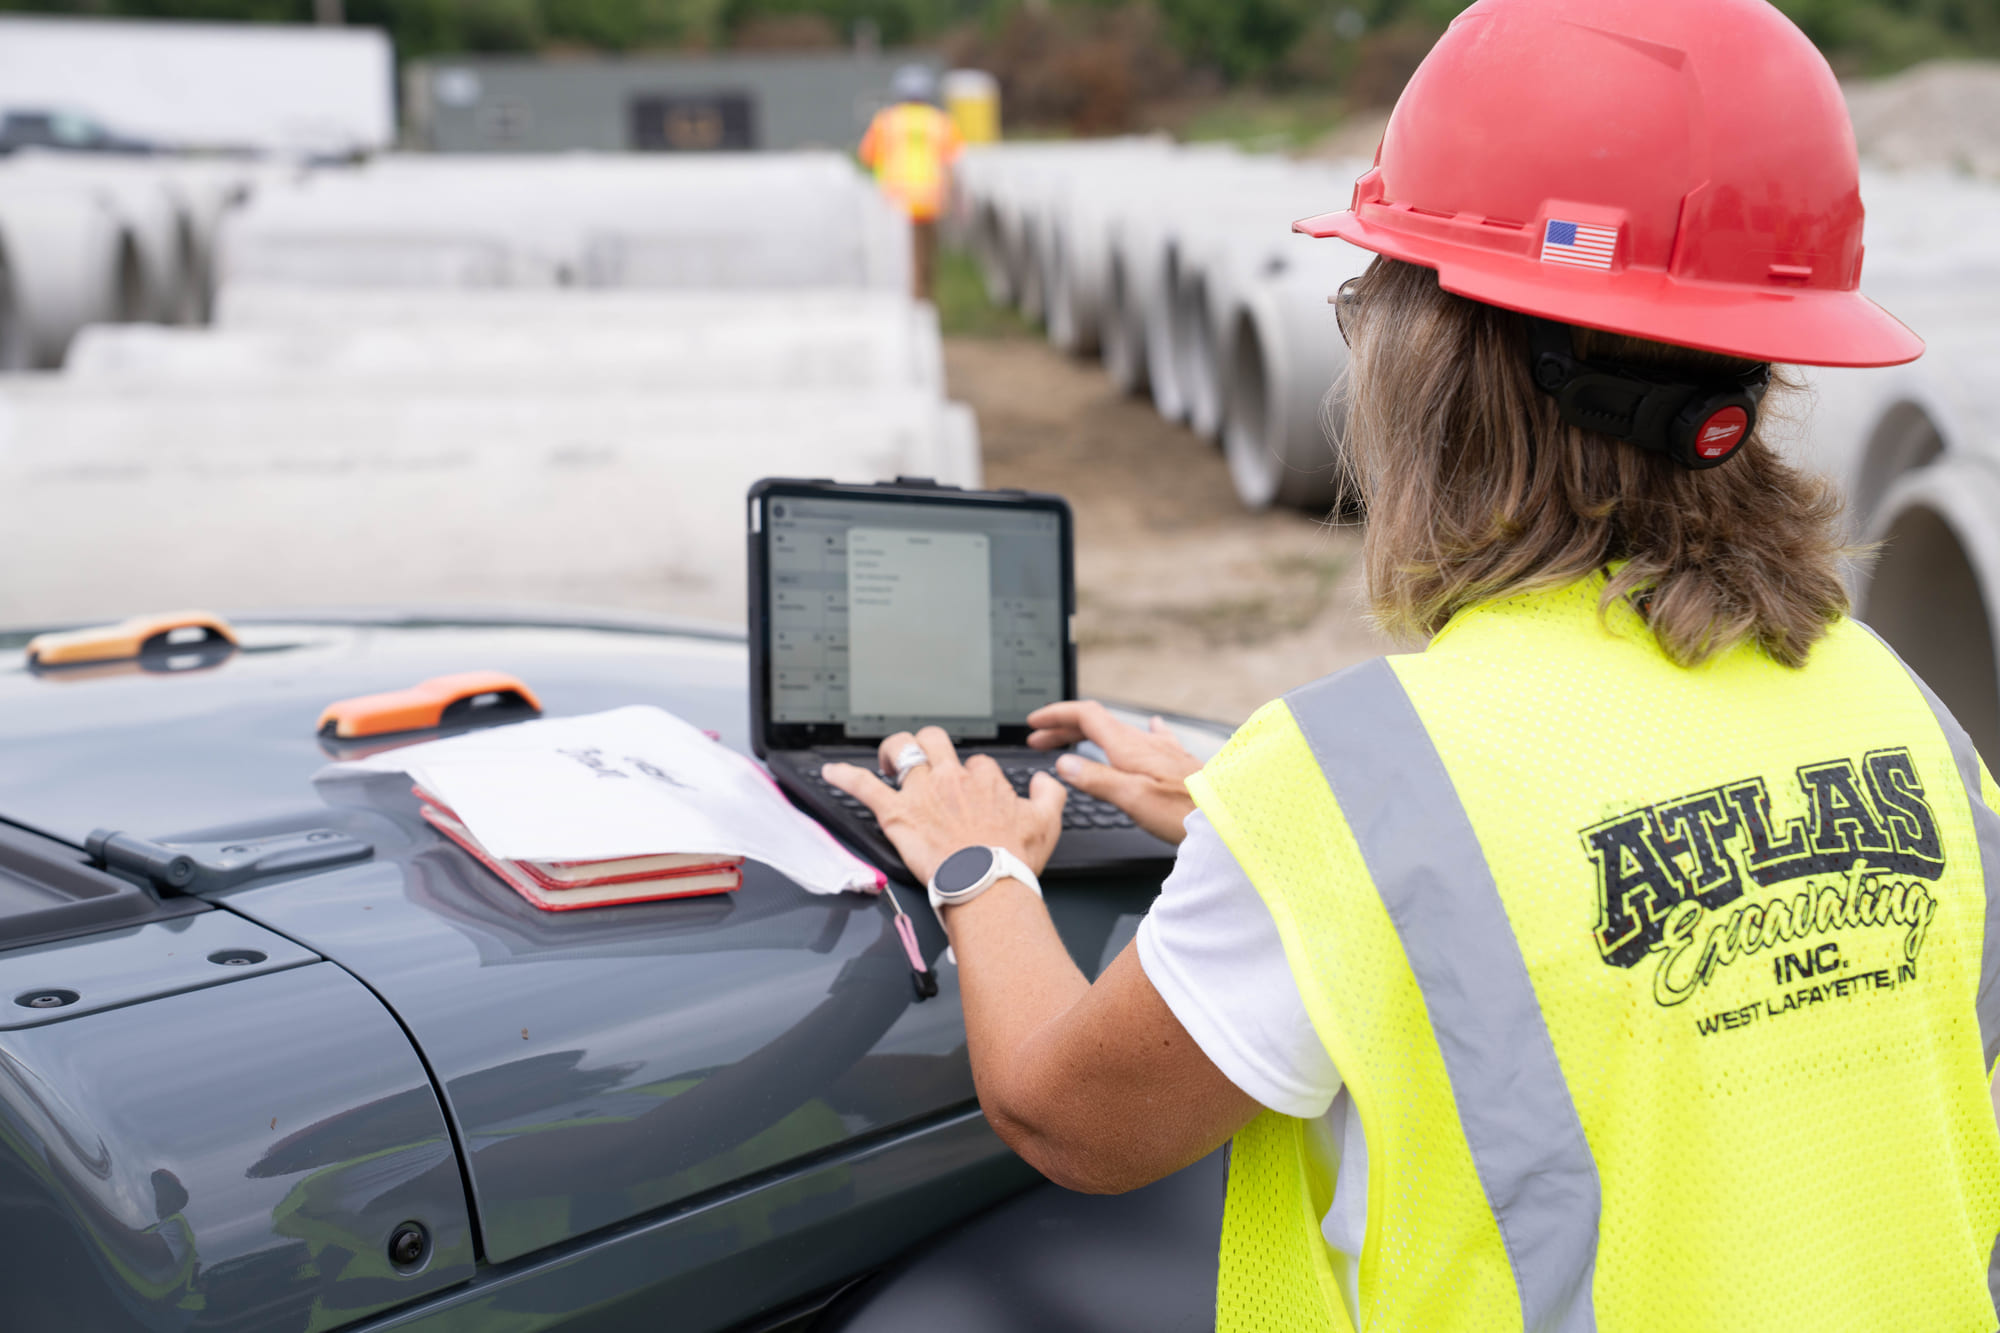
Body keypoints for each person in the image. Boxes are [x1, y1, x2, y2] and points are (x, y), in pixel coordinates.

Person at [823, 0, 2000, 1328]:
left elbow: (1067, 1115)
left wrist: (974, 861)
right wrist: (1269, 832)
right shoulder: (1909, 717)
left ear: (1438, 366)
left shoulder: (1366, 788)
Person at [858, 64, 961, 302]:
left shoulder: (885, 121)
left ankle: (908, 298)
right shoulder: (940, 121)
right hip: (931, 199)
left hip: (896, 199)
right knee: (926, 253)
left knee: (900, 254)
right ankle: (925, 295)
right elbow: (953, 159)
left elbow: (867, 156)